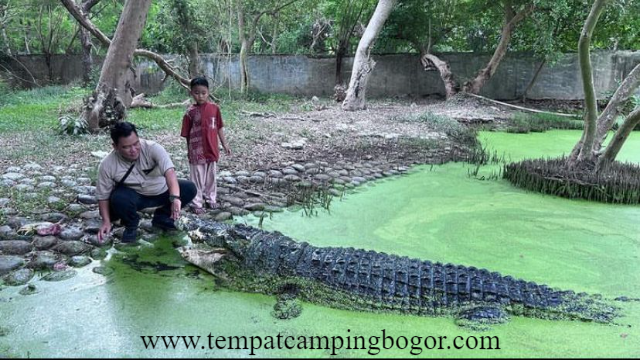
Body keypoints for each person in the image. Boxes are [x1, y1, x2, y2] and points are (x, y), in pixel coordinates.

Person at [96, 122, 197, 243]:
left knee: (190, 188)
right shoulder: (107, 164)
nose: (133, 150)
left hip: (162, 192)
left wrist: (175, 198)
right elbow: (103, 196)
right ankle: (131, 225)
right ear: (115, 147)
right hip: (136, 197)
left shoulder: (153, 148)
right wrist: (106, 222)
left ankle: (162, 217)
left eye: (136, 143)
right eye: (126, 147)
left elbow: (170, 172)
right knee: (118, 198)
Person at [181, 77, 231, 214]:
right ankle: (196, 202)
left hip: (212, 148)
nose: (200, 96)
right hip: (196, 150)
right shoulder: (189, 112)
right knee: (197, 176)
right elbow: (186, 133)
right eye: (197, 92)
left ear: (208, 92)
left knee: (211, 176)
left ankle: (211, 199)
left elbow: (219, 127)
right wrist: (189, 151)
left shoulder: (214, 109)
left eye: (203, 92)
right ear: (191, 93)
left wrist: (225, 144)